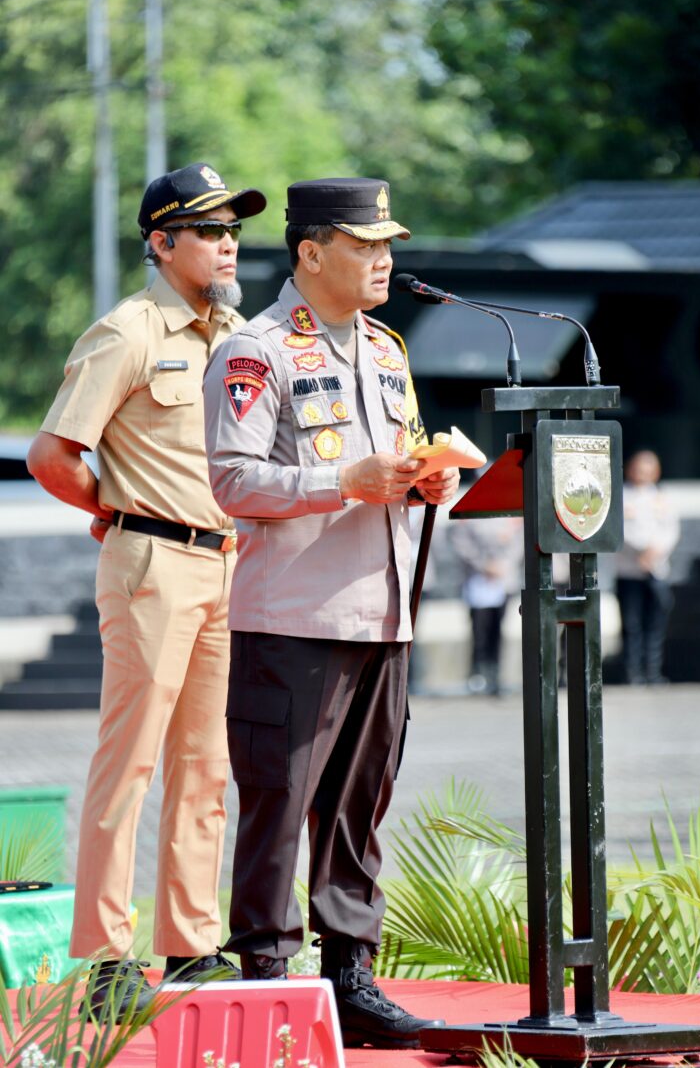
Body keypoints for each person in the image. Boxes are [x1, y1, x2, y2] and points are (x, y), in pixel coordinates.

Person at [202, 177, 459, 1049]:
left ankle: (350, 974)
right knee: (281, 802)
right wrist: (338, 482)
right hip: (293, 619)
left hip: (383, 614)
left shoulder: (387, 348)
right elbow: (231, 480)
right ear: (312, 251)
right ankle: (268, 979)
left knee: (359, 807)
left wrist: (432, 479)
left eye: (390, 244)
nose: (385, 259)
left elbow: (402, 461)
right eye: (367, 244)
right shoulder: (255, 349)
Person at [26, 162, 267, 1017]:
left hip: (230, 562)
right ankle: (103, 956)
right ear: (161, 243)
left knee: (206, 767)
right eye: (209, 230)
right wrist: (115, 507)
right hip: (153, 565)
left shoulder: (236, 336)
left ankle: (191, 944)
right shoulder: (125, 332)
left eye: (232, 228)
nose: (227, 242)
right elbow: (52, 456)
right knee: (128, 761)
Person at [614, 449, 680, 685]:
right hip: (629, 570)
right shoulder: (621, 496)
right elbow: (621, 529)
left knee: (655, 624)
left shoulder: (661, 497)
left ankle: (652, 671)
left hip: (656, 570)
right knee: (631, 625)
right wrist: (642, 549)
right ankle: (633, 673)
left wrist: (656, 550)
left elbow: (671, 530)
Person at [448, 512, 524, 696]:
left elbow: (519, 541)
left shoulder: (509, 514)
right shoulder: (471, 516)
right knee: (479, 629)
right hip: (477, 579)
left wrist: (503, 565)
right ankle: (477, 672)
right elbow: (461, 542)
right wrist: (484, 565)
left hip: (503, 579)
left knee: (498, 629)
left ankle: (495, 674)